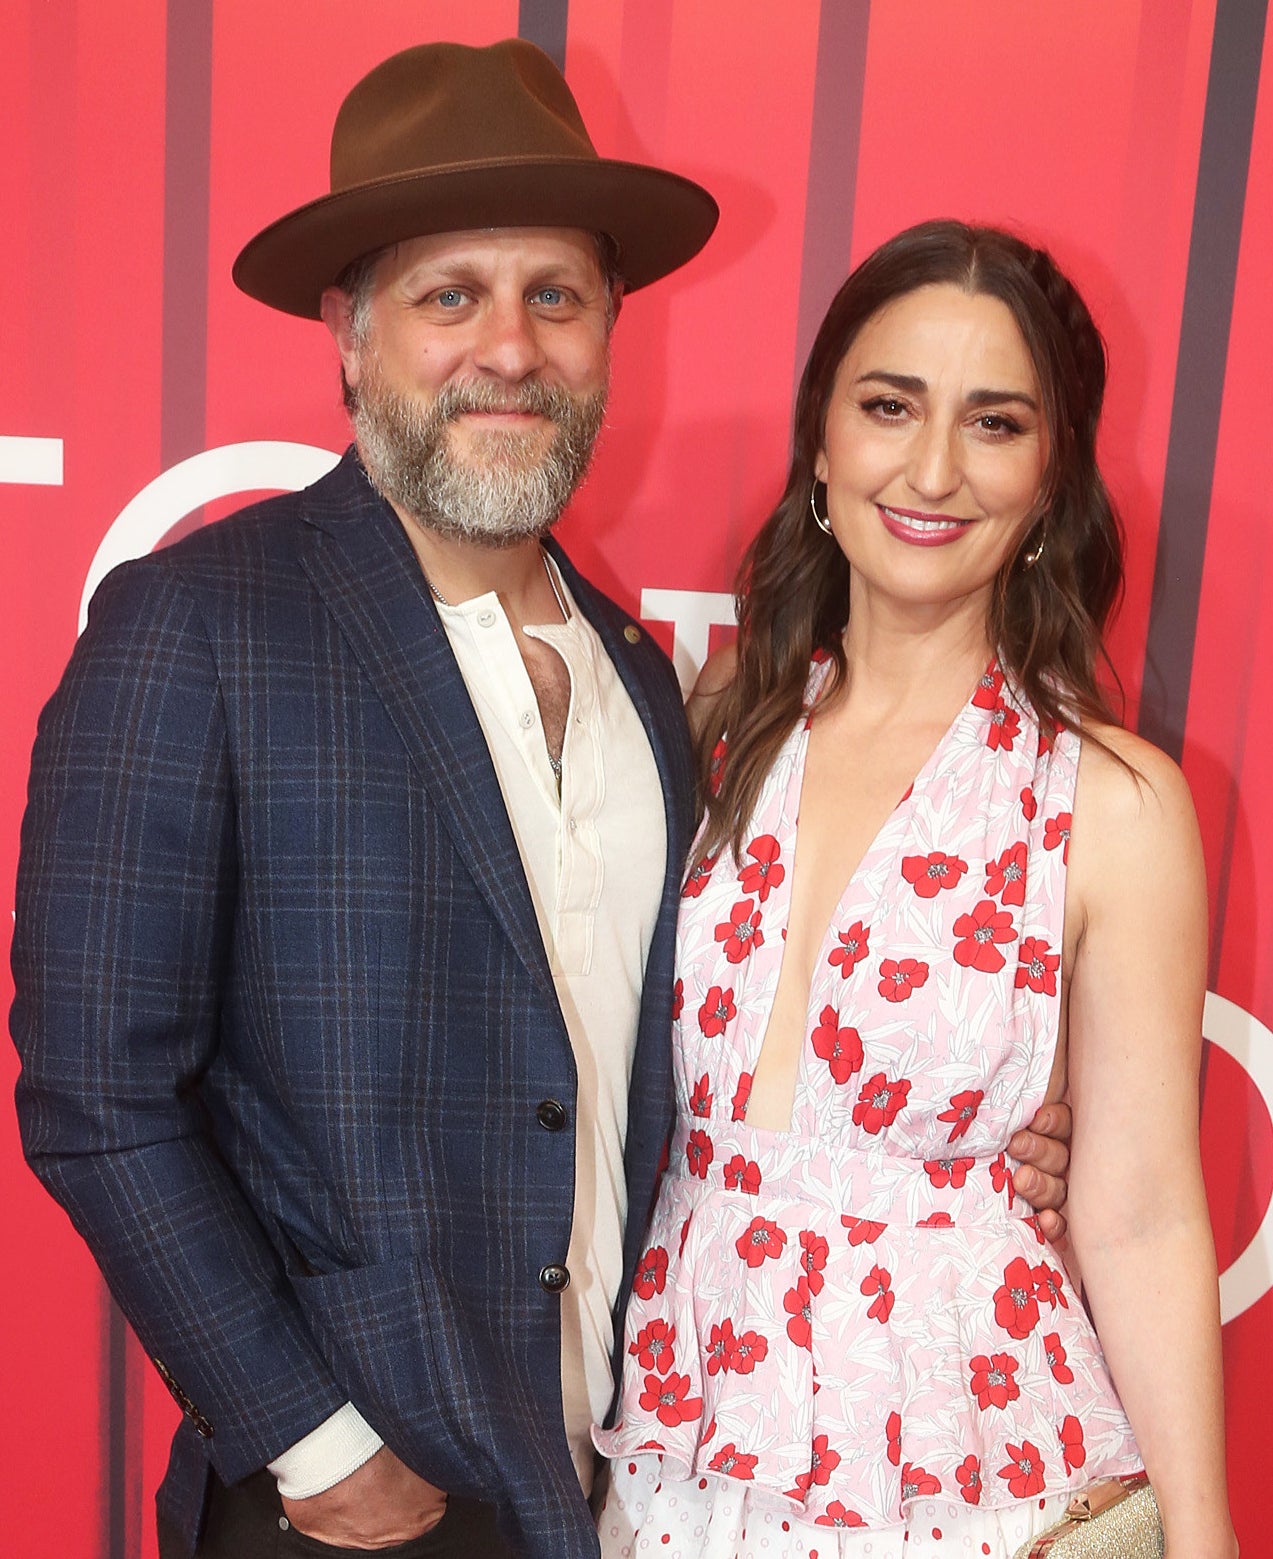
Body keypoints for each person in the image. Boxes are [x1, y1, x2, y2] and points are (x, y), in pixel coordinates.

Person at [9, 40, 1072, 1559]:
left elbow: (721, 1046)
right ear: (350, 335)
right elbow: (94, 1095)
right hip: (354, 1507)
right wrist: (321, 1458)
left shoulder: (652, 685)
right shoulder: (201, 625)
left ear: (607, 334)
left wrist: (997, 1126)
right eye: (451, 296)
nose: (508, 349)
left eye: (554, 298)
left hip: (628, 1473)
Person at [596, 221, 1235, 1559]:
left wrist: (1204, 1541)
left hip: (960, 1465)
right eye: (889, 407)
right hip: (685, 1432)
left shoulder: (1108, 802)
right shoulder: (718, 722)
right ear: (820, 438)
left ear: (1051, 475)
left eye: (994, 424)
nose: (931, 469)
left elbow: (1140, 1211)